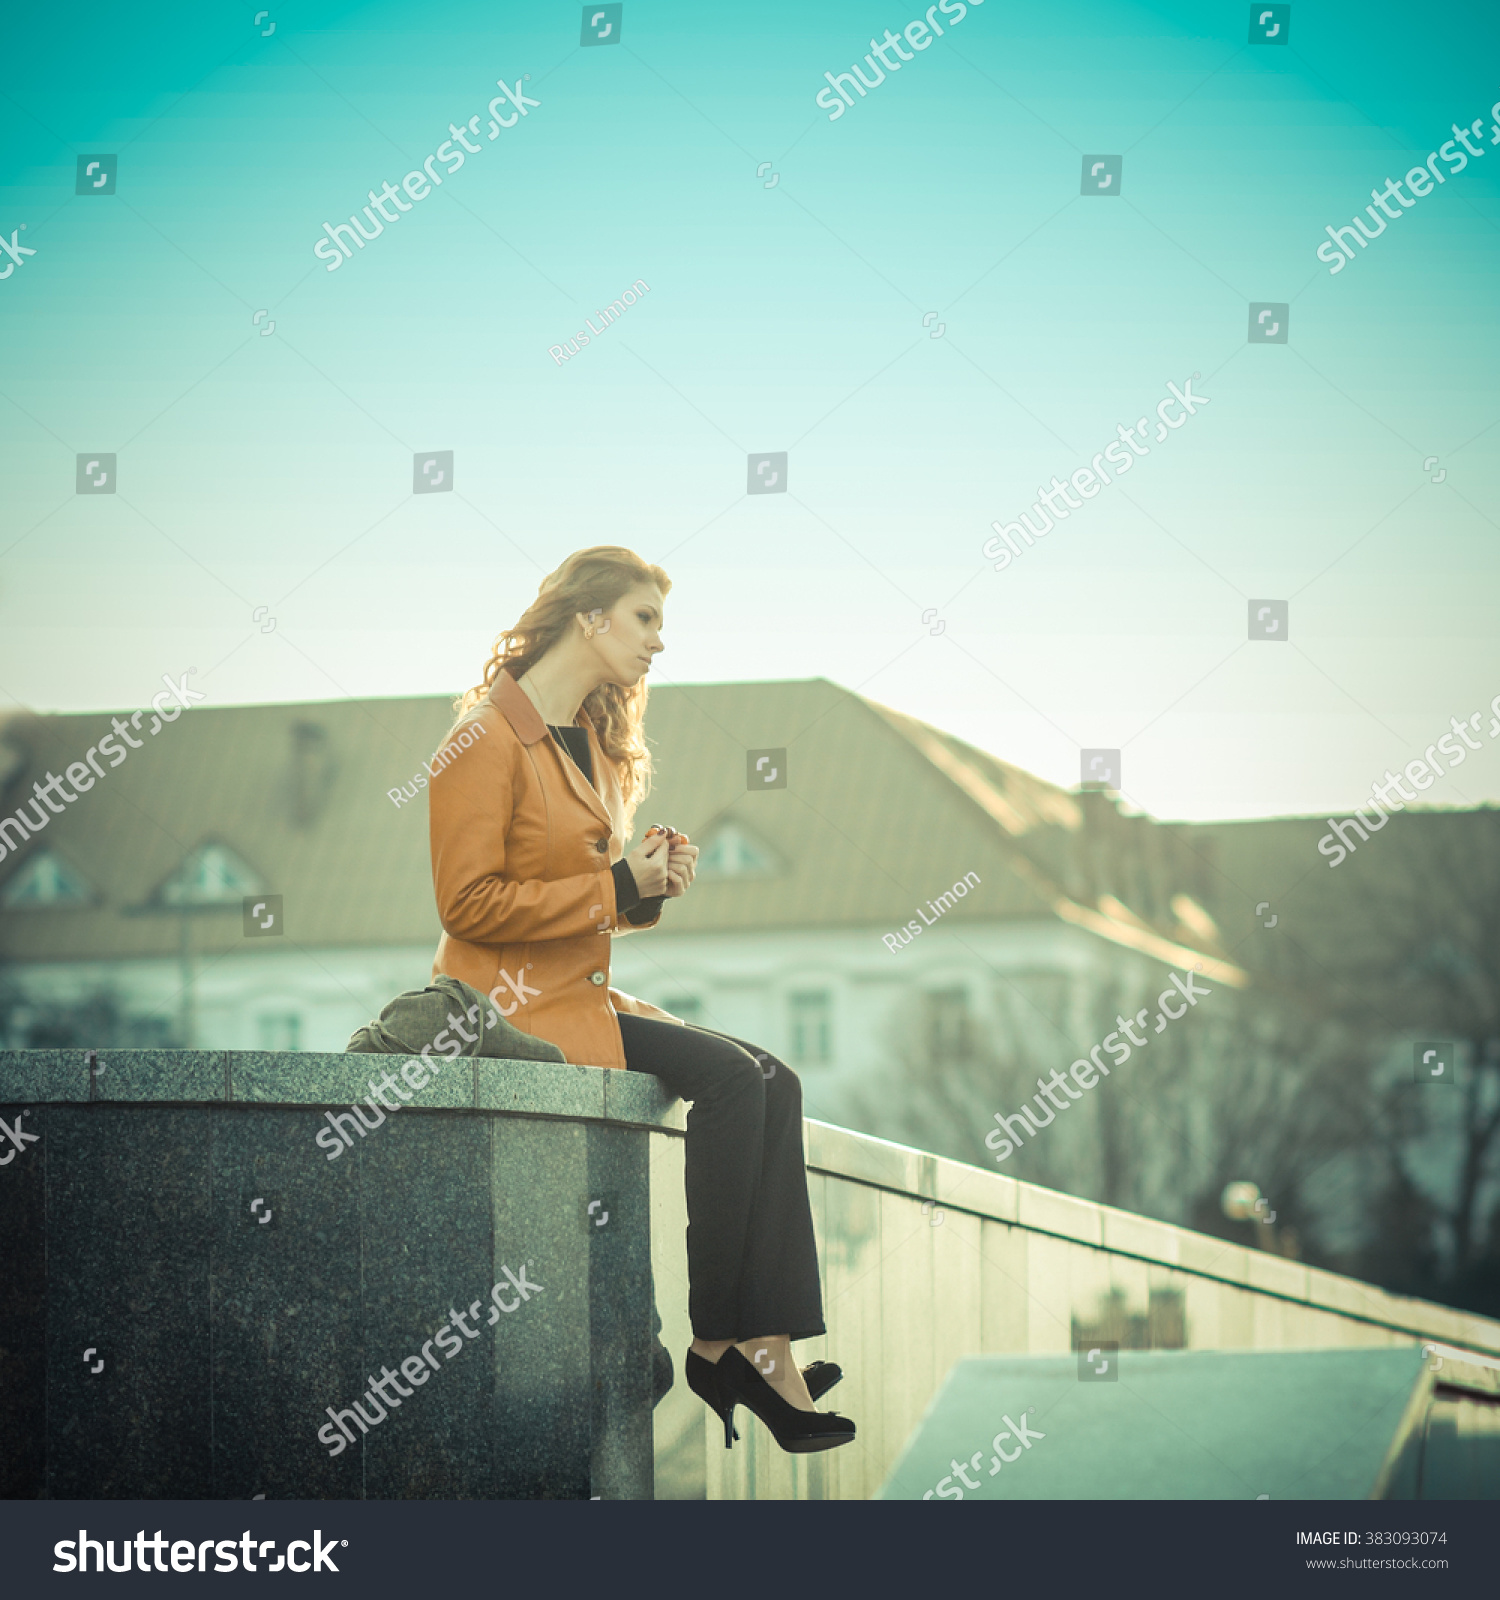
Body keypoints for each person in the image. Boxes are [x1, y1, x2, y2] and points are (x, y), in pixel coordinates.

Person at [427, 546, 855, 1455]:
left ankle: (763, 1338)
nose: (660, 642)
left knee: (772, 1077)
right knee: (735, 1081)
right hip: (501, 1009)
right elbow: (467, 905)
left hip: (570, 993)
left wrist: (646, 885)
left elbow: (583, 903)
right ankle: (724, 1342)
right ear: (590, 619)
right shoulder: (483, 738)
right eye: (646, 619)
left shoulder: (589, 741)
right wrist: (615, 882)